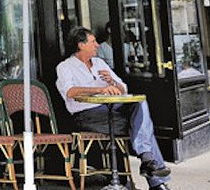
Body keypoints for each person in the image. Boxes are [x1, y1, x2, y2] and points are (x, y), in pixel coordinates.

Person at [56, 27, 170, 190]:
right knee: (141, 126)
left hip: (111, 111)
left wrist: (113, 82)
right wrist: (99, 89)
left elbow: (124, 88)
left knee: (140, 104)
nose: (97, 45)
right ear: (81, 45)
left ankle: (147, 160)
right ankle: (155, 178)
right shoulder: (65, 67)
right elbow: (70, 91)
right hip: (87, 115)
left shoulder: (100, 63)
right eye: (93, 42)